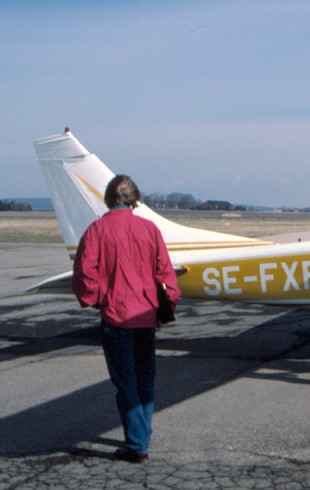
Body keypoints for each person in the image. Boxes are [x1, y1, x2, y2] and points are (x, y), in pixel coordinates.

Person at [72, 175, 179, 463]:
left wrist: (95, 299)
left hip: (116, 316)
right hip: (145, 315)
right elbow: (166, 273)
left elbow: (84, 273)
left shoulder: (97, 230)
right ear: (134, 198)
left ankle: (137, 444)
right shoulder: (149, 228)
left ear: (108, 198)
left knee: (126, 381)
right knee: (145, 376)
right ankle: (142, 434)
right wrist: (165, 306)